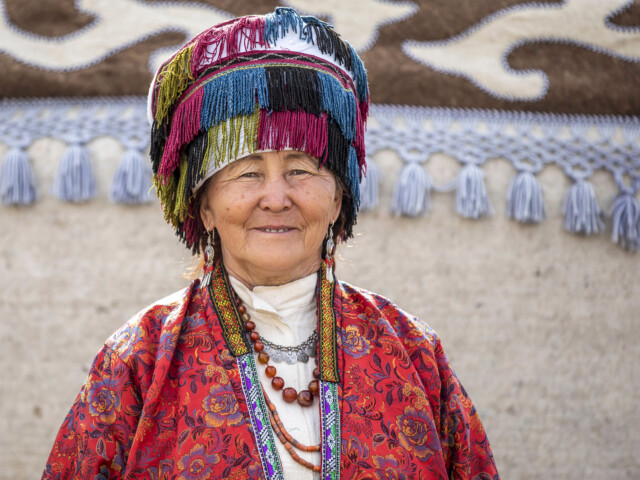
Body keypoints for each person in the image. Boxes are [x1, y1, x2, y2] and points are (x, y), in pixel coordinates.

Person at [42, 8, 499, 480]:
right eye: (248, 173)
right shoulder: (138, 362)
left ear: (340, 197)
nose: (276, 199)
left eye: (301, 169)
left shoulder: (414, 355)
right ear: (204, 206)